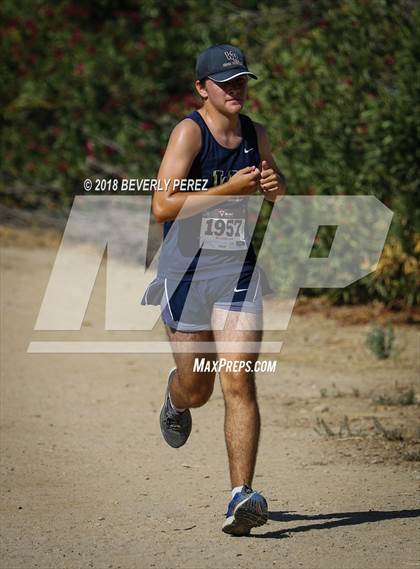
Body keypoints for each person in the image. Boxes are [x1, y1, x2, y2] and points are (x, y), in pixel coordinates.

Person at [141, 43, 285, 536]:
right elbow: (161, 207)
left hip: (236, 274)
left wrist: (272, 184)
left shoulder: (255, 134)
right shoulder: (188, 133)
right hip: (186, 277)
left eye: (241, 80)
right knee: (198, 389)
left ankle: (241, 495)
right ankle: (175, 398)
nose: (235, 89)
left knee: (239, 381)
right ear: (202, 88)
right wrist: (231, 190)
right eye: (225, 83)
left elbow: (270, 186)